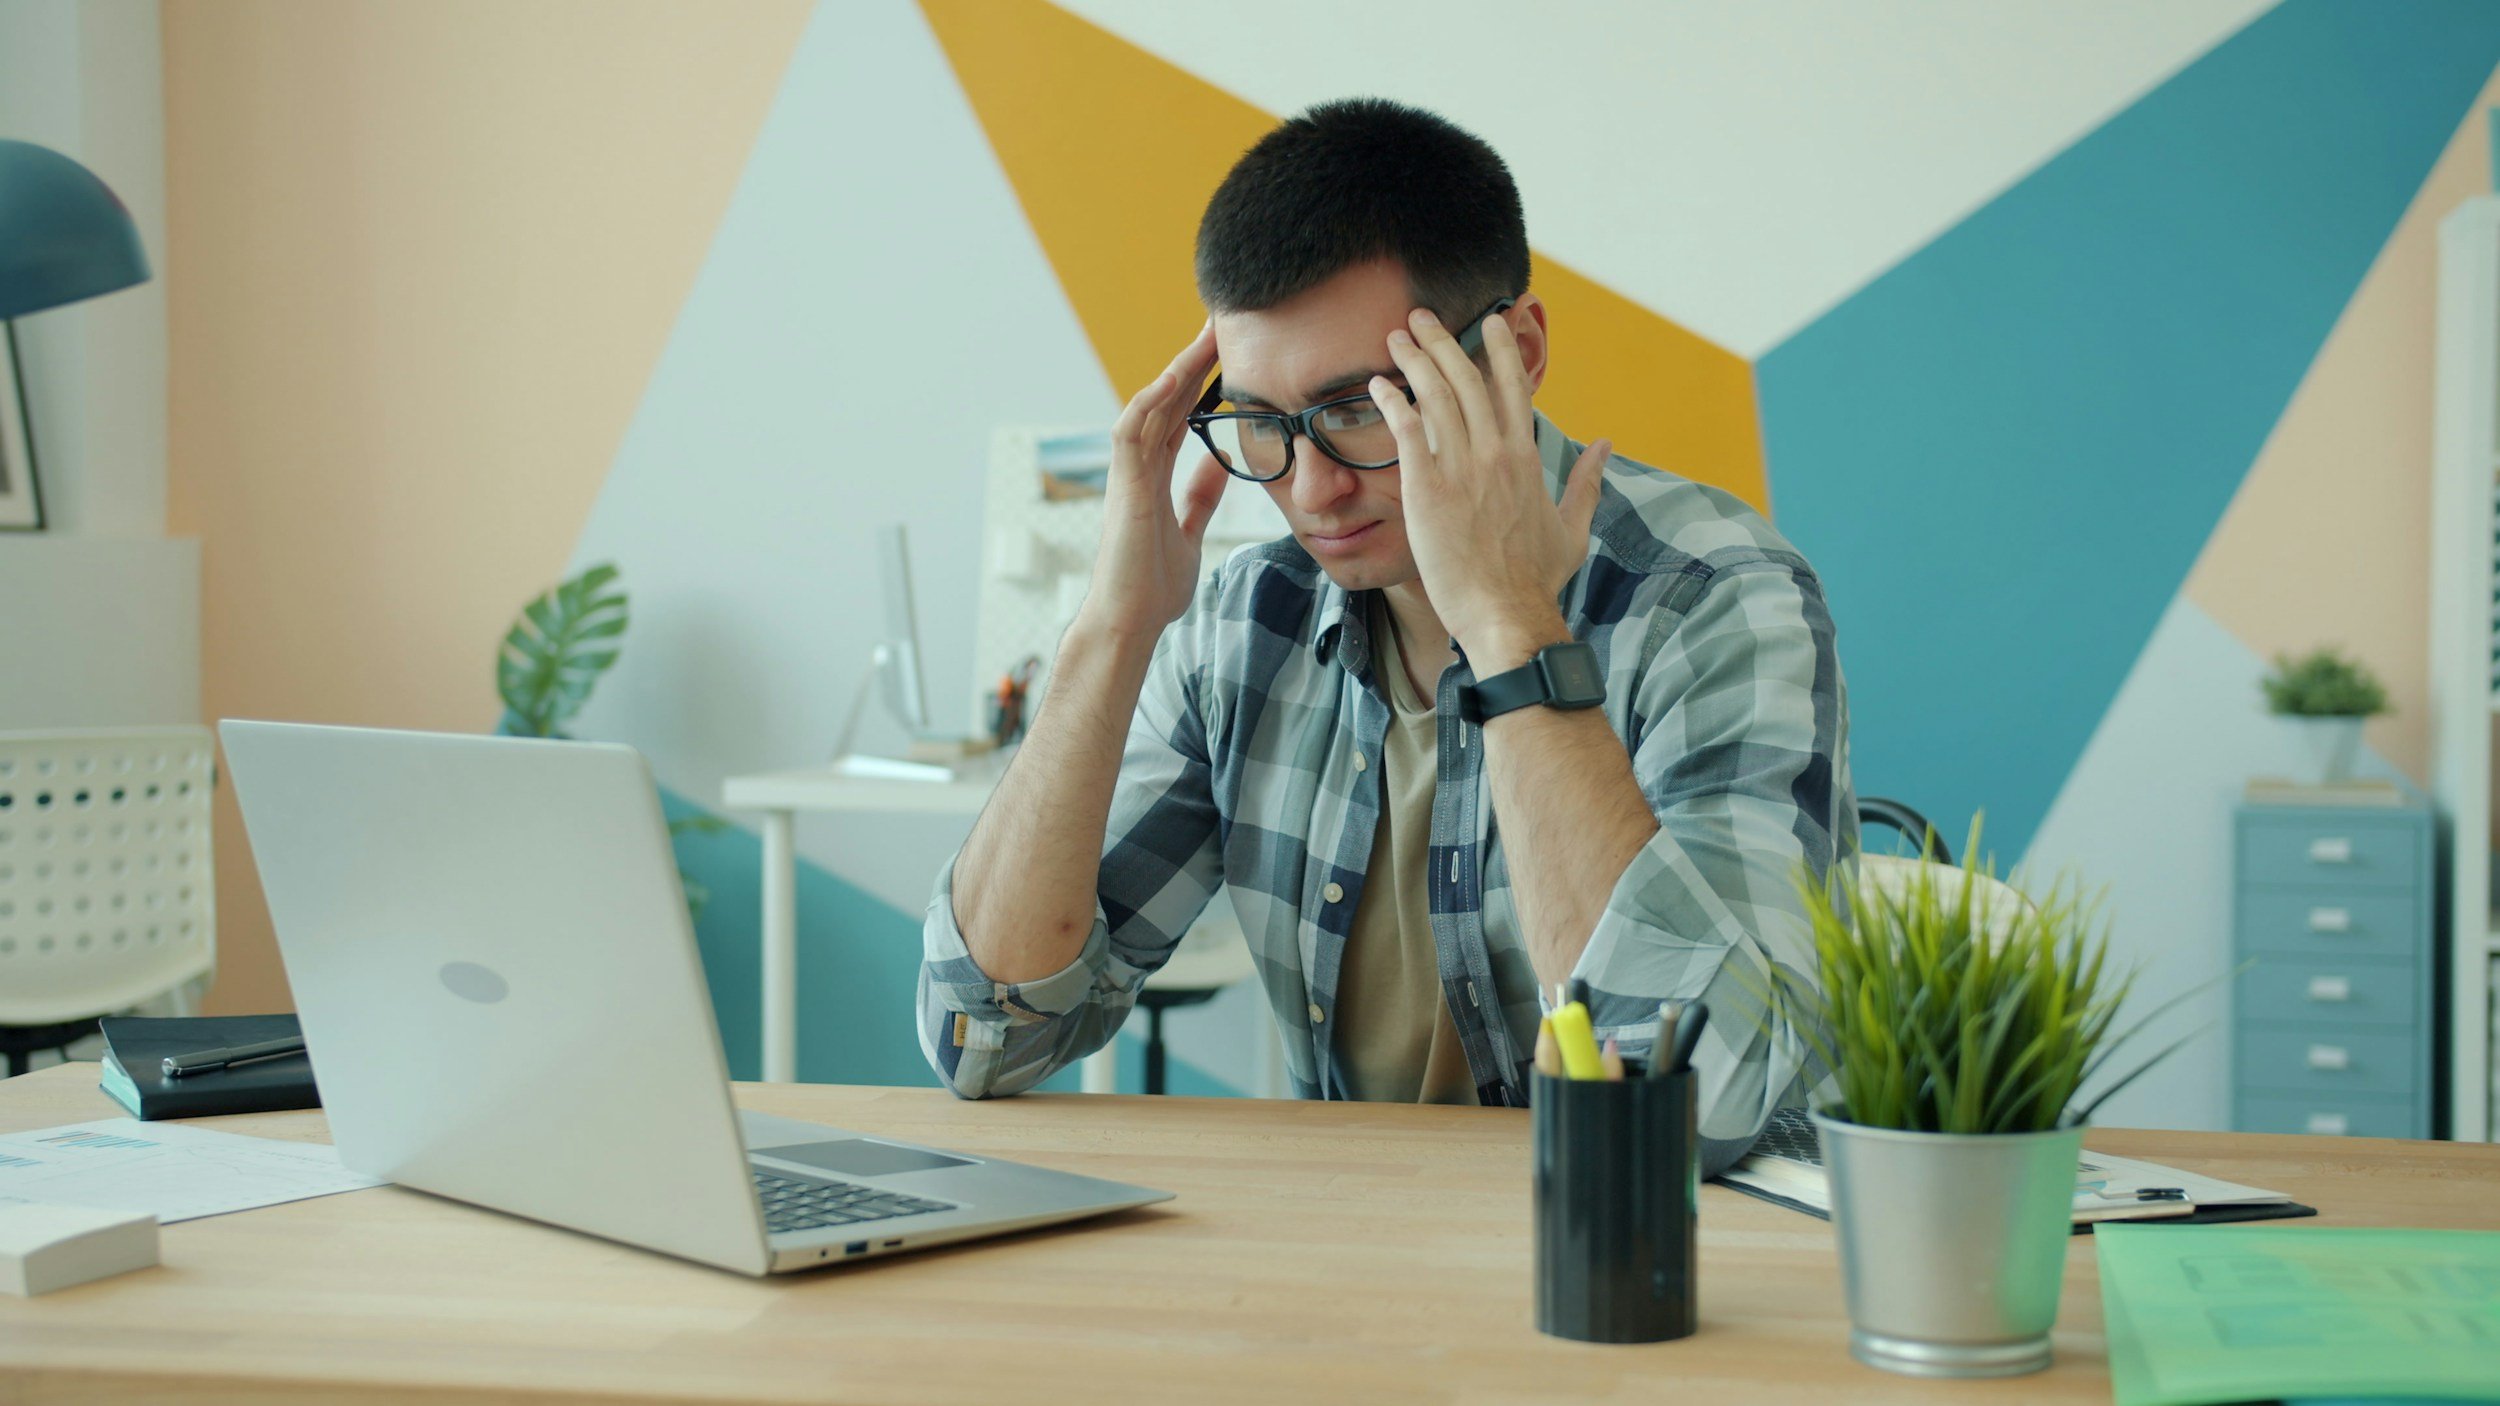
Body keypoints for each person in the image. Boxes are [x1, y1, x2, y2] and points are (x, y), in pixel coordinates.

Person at [918, 97, 1854, 1172]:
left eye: (1360, 407)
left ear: (1515, 352)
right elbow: (982, 1039)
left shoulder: (1713, 597)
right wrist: (1111, 631)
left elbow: (1687, 1107)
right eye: (1262, 423)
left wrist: (1509, 623)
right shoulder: (1246, 626)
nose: (1309, 487)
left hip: (1665, 1279)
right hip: (1373, 1263)